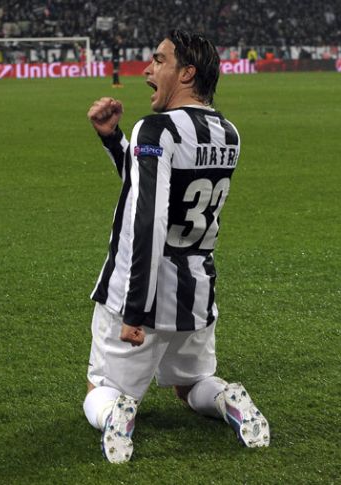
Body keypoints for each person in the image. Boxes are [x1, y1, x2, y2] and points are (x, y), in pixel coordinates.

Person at [84, 29, 270, 464]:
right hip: (196, 291)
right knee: (192, 386)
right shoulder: (229, 133)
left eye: (159, 61)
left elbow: (149, 217)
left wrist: (134, 311)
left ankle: (118, 413)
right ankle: (228, 399)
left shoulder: (156, 128)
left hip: (143, 291)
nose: (147, 70)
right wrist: (115, 141)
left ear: (187, 73)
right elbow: (159, 186)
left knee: (100, 389)